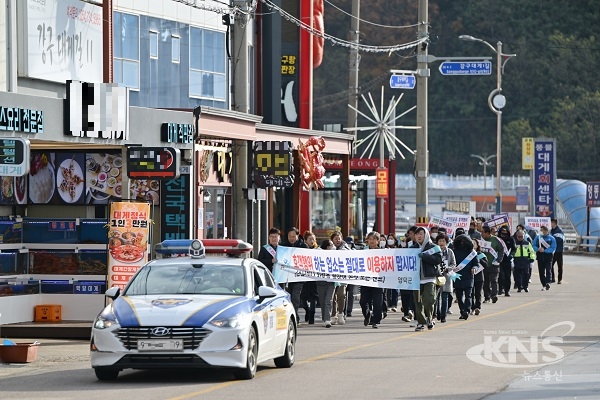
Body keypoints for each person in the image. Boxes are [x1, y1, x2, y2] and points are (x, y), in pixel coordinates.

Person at [411, 227, 443, 331]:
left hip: (430, 278)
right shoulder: (412, 248)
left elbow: (438, 259)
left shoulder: (434, 247)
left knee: (429, 300)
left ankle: (429, 318)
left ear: (426, 235)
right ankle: (421, 323)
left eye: (421, 234)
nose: (419, 236)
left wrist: (424, 256)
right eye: (417, 234)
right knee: (418, 302)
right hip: (416, 279)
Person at [359, 231, 385, 329]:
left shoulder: (383, 252)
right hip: (365, 280)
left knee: (378, 302)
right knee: (363, 301)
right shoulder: (363, 251)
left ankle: (375, 320)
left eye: (374, 239)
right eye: (370, 239)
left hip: (378, 281)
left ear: (378, 241)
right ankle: (367, 315)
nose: (371, 241)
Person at [282, 227, 309, 320]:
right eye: (290, 236)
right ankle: (292, 315)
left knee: (296, 296)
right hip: (286, 276)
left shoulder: (304, 246)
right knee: (288, 295)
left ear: (297, 236)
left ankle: (295, 315)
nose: (292, 238)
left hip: (299, 276)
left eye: (293, 236)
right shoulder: (283, 246)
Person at [451, 233, 479, 320]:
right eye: (461, 241)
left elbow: (476, 264)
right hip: (457, 276)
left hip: (469, 276)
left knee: (468, 295)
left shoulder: (472, 253)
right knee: (459, 296)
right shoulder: (454, 251)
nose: (462, 243)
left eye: (464, 241)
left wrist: (474, 268)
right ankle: (462, 311)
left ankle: (467, 310)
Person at [481, 225, 504, 304]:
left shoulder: (495, 240)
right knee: (485, 282)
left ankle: (494, 295)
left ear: (487, 233)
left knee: (494, 280)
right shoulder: (480, 241)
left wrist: (498, 260)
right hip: (484, 265)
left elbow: (501, 250)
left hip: (494, 264)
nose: (481, 234)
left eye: (482, 232)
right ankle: (487, 297)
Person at [435, 233, 456, 323]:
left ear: (446, 242)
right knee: (437, 297)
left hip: (446, 277)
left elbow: (453, 263)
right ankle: (438, 313)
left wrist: (448, 269)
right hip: (437, 277)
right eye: (440, 241)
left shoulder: (450, 252)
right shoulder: (434, 251)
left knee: (445, 297)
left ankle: (443, 315)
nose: (441, 243)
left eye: (443, 241)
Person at [331, 231, 350, 325]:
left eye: (339, 238)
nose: (337, 240)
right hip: (331, 276)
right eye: (335, 239)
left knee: (341, 294)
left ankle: (341, 314)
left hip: (342, 276)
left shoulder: (346, 249)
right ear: (332, 240)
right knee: (332, 296)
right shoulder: (328, 249)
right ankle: (333, 315)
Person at [316, 239, 336, 328]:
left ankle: (328, 320)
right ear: (327, 247)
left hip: (331, 282)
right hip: (320, 281)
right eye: (331, 245)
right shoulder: (317, 253)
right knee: (322, 301)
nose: (333, 246)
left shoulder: (335, 254)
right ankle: (324, 319)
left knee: (328, 300)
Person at [400, 226, 418, 322]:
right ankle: (406, 312)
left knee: (413, 294)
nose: (410, 235)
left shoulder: (421, 244)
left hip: (416, 274)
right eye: (409, 234)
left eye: (411, 234)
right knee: (404, 294)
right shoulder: (406, 243)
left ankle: (413, 312)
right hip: (405, 273)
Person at [300, 231, 318, 324]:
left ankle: (312, 315)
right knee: (303, 298)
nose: (312, 241)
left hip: (314, 279)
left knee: (313, 298)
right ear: (305, 240)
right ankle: (307, 310)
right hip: (303, 278)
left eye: (313, 239)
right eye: (310, 239)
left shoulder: (318, 251)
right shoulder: (301, 250)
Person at [532, 225, 557, 291]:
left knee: (548, 270)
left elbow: (553, 247)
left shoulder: (551, 238)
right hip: (540, 256)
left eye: (545, 230)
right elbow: (533, 245)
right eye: (542, 230)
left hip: (548, 256)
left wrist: (545, 250)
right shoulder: (538, 238)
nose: (544, 232)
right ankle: (544, 284)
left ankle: (548, 282)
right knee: (541, 272)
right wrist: (538, 249)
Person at [497, 226, 516, 297]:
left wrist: (511, 255)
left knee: (508, 276)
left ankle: (507, 291)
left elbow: (514, 249)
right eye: (503, 231)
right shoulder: (498, 239)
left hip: (507, 260)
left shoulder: (511, 239)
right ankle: (500, 289)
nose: (504, 232)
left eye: (505, 231)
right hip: (499, 260)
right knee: (500, 276)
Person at [470, 238, 487, 316]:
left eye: (474, 244)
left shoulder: (480, 254)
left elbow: (486, 264)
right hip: (470, 276)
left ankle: (477, 307)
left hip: (479, 277)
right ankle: (472, 307)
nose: (473, 245)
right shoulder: (467, 255)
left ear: (477, 245)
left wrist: (478, 259)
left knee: (478, 293)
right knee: (470, 293)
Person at [386, 233, 400, 312]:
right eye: (389, 238)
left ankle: (394, 304)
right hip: (387, 271)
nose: (390, 240)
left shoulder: (398, 249)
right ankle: (389, 304)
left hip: (396, 271)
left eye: (392, 238)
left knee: (395, 289)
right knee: (388, 289)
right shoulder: (385, 249)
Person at [343, 236, 357, 318]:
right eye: (347, 243)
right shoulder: (343, 251)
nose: (349, 245)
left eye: (350, 244)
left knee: (350, 293)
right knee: (343, 294)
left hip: (352, 275)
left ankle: (349, 310)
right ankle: (343, 310)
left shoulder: (355, 252)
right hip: (344, 275)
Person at [550, 218, 565, 284]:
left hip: (558, 250)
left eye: (552, 223)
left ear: (554, 223)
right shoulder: (551, 231)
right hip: (553, 251)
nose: (551, 224)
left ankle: (559, 279)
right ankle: (552, 278)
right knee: (550, 265)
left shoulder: (559, 231)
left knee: (559, 266)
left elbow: (559, 240)